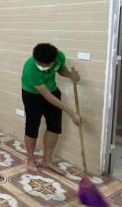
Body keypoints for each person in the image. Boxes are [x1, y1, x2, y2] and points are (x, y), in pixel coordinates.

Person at [21, 43, 81, 173]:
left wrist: (70, 75)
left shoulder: (59, 56)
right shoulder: (30, 67)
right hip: (32, 95)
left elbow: (60, 70)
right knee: (32, 127)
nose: (42, 68)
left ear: (53, 61)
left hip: (52, 90)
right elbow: (46, 95)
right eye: (39, 65)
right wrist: (72, 113)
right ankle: (30, 160)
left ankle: (47, 160)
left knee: (54, 126)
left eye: (45, 66)